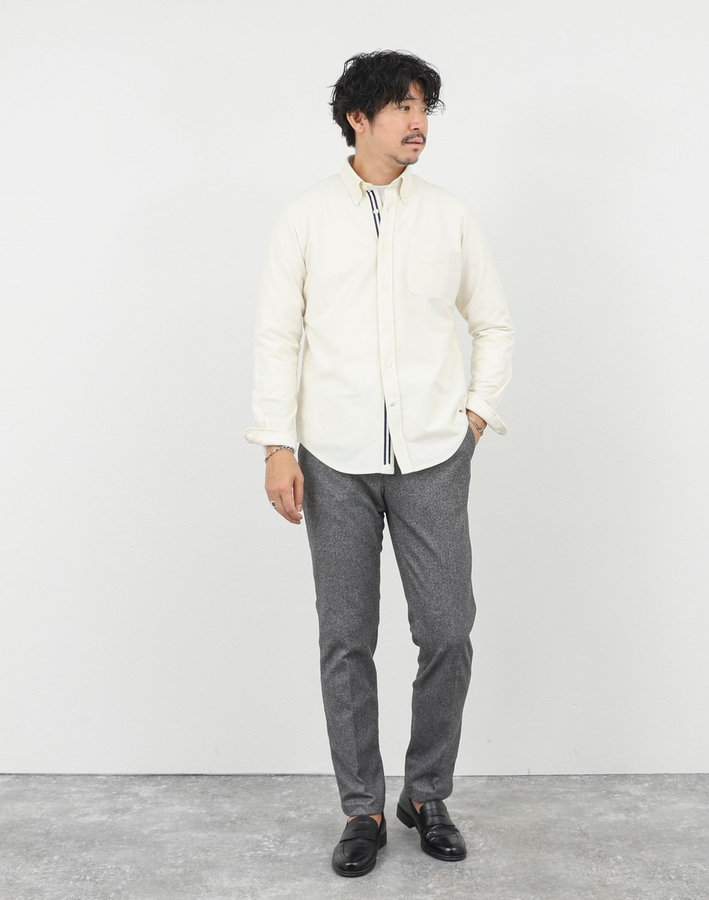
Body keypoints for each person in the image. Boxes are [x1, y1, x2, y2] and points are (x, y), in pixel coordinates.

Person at [244, 49, 515, 878]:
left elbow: (493, 323)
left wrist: (474, 416)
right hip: (333, 457)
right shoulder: (304, 219)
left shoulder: (449, 217)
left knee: (448, 630)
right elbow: (278, 336)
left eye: (424, 106)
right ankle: (361, 806)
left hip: (434, 453)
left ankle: (426, 794)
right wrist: (277, 445)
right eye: (401, 106)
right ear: (357, 118)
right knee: (345, 638)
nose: (417, 121)